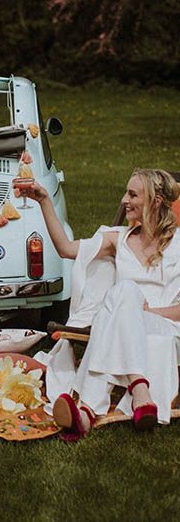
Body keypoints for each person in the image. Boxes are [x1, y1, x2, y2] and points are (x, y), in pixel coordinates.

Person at [18, 168, 180, 438]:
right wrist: (44, 200)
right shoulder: (118, 239)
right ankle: (137, 391)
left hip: (163, 324)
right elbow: (66, 249)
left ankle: (89, 408)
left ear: (155, 201)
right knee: (122, 295)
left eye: (132, 194)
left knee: (119, 302)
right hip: (123, 322)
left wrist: (150, 312)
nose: (123, 200)